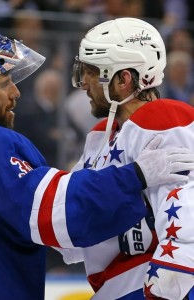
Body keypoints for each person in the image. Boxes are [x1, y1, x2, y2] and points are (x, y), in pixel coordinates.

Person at [0, 15, 193, 300]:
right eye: (3, 82)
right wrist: (134, 176)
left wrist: (177, 264)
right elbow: (58, 216)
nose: (16, 92)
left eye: (91, 72)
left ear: (124, 78)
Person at [66, 17, 194, 299]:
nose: (84, 83)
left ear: (123, 79)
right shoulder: (102, 136)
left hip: (153, 280)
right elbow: (70, 220)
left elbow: (187, 206)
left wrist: (173, 274)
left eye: (91, 72)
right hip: (119, 285)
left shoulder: (164, 119)